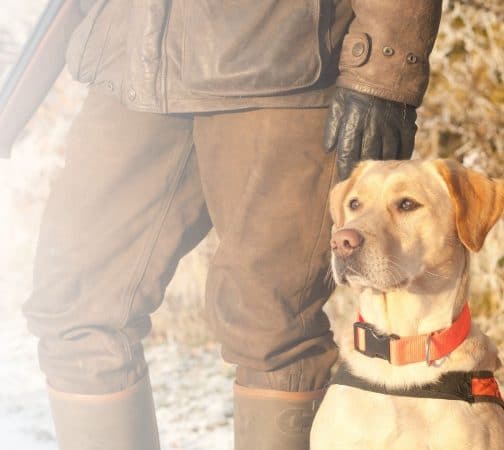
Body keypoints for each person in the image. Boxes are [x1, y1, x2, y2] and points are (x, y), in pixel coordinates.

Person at [22, 1, 442, 449]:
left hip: (280, 58)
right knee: (74, 305)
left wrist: (386, 65)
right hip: (133, 52)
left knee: (272, 326)